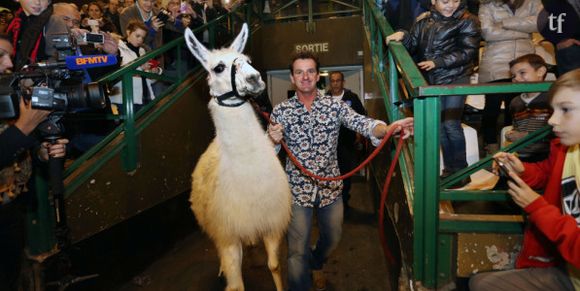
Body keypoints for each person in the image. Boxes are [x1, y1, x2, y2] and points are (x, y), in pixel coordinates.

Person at [267, 51, 414, 291]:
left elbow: (363, 124)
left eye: (310, 71)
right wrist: (272, 139)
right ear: (292, 78)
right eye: (299, 72)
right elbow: (269, 150)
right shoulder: (280, 111)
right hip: (297, 191)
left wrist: (388, 128)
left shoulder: (335, 107)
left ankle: (315, 261)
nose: (305, 77)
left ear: (318, 76)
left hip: (330, 188)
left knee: (333, 238)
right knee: (296, 251)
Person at [469, 68, 580, 291]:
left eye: (565, 110)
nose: (553, 121)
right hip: (568, 272)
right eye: (553, 110)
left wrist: (537, 208)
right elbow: (547, 174)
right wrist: (522, 171)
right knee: (480, 284)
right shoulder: (567, 149)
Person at [385, 0, 481, 186]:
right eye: (445, 1)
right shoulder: (423, 20)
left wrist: (439, 62)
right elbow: (413, 43)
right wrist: (403, 35)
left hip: (456, 77)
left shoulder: (468, 20)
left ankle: (461, 172)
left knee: (451, 124)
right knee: (440, 125)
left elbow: (467, 52)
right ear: (434, 1)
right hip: (432, 80)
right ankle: (450, 171)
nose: (450, 5)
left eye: (455, 0)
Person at [0, 35, 68, 291]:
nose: (8, 64)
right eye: (0, 56)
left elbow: (15, 148)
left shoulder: (8, 95)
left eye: (9, 55)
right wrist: (24, 127)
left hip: (12, 211)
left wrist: (42, 152)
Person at [478, 0, 542, 155]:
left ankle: (510, 146)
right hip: (495, 62)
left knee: (515, 107)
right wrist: (524, 30)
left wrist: (504, 23)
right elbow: (487, 33)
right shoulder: (487, 4)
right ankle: (490, 145)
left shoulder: (533, 2)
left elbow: (539, 24)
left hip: (524, 61)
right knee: (492, 107)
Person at [325, 71, 367, 213]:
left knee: (345, 174)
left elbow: (362, 117)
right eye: (333, 81)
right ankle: (330, 203)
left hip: (346, 143)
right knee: (329, 174)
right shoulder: (324, 99)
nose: (335, 83)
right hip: (329, 145)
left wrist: (359, 134)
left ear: (343, 82)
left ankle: (344, 202)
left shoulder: (351, 98)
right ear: (330, 83)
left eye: (338, 81)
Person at [505, 53, 552, 162]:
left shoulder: (552, 98)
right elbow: (517, 127)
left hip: (546, 156)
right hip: (520, 156)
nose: (516, 78)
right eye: (513, 75)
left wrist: (526, 136)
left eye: (522, 73)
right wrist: (511, 134)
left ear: (540, 72)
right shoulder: (515, 102)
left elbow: (558, 132)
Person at [109, 20, 162, 113]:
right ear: (128, 32)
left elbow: (147, 79)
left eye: (142, 37)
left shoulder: (142, 51)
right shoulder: (116, 49)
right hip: (125, 99)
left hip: (144, 96)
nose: (140, 40)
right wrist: (140, 67)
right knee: (130, 126)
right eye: (137, 36)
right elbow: (117, 73)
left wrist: (155, 72)